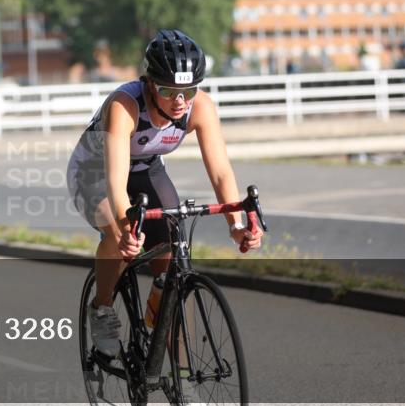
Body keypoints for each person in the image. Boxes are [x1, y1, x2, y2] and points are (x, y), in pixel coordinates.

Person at [68, 29, 263, 357]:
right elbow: (116, 183)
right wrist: (124, 229)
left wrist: (236, 225)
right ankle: (101, 308)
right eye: (168, 90)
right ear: (148, 82)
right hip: (94, 175)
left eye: (188, 91)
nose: (180, 101)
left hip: (147, 171)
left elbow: (220, 171)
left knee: (173, 255)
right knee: (119, 236)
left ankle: (168, 339)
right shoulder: (124, 105)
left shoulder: (199, 107)